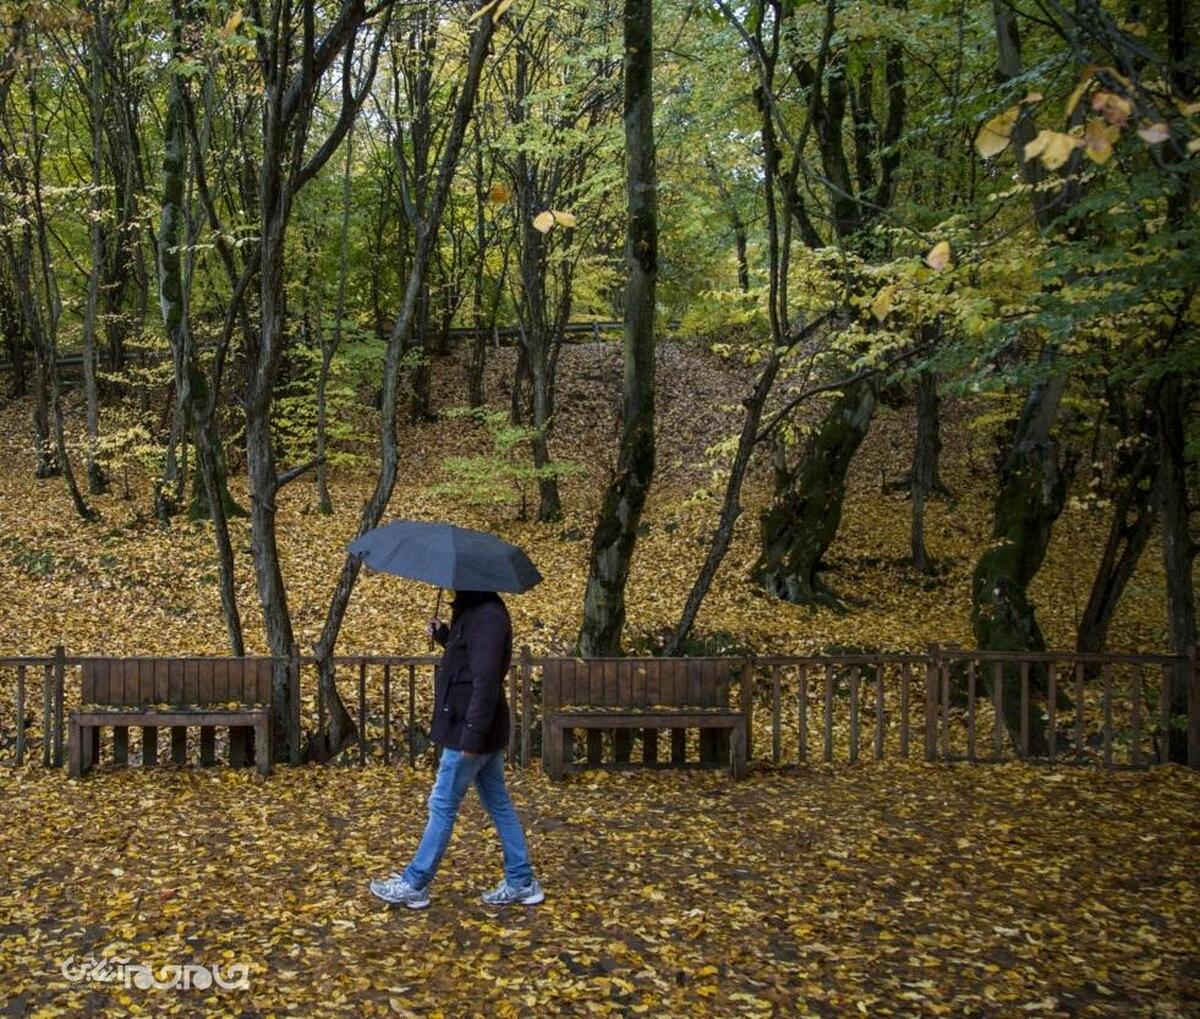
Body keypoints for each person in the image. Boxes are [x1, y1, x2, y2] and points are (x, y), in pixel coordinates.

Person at [369, 589, 544, 910]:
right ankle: (521, 881)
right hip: (474, 728)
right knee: (498, 803)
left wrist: (473, 737)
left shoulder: (488, 617)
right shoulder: (476, 612)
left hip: (470, 730)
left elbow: (486, 681)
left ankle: (415, 882)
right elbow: (469, 661)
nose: (451, 585)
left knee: (442, 803)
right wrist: (444, 636)